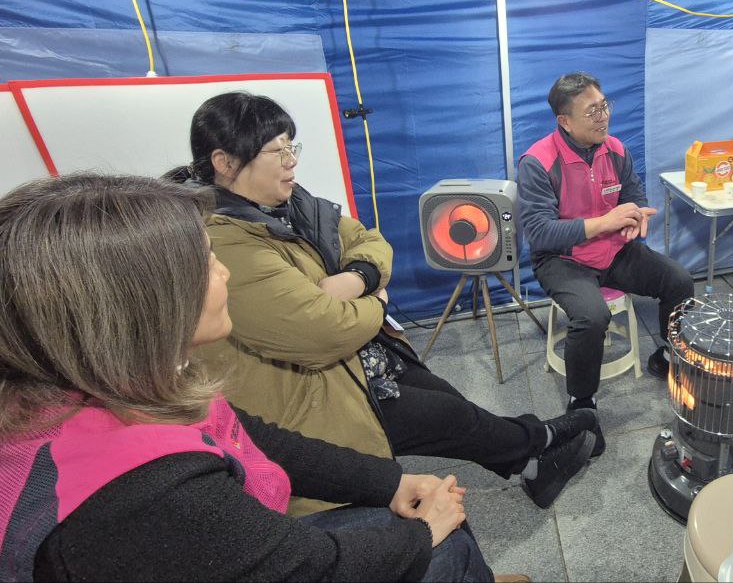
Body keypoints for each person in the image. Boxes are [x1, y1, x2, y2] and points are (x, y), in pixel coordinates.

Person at [0, 173, 507, 582]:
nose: (224, 273)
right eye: (206, 262)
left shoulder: (130, 382)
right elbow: (297, 567)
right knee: (445, 544)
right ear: (141, 305)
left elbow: (249, 436)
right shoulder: (143, 494)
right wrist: (422, 536)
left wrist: (389, 481)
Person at [168, 92, 595, 515]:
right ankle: (540, 442)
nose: (291, 161)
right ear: (225, 162)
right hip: (312, 392)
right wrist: (377, 299)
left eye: (291, 147)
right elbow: (323, 331)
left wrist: (357, 278)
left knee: (449, 401)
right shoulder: (226, 241)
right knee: (448, 416)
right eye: (277, 151)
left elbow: (368, 240)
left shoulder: (293, 204)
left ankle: (533, 457)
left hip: (362, 354)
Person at [518, 72, 695, 455]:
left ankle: (667, 356)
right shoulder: (538, 162)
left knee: (679, 280)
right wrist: (605, 222)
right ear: (565, 121)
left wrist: (636, 216)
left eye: (604, 106)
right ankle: (582, 404)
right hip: (562, 259)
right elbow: (540, 233)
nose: (603, 117)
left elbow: (634, 196)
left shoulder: (615, 149)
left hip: (613, 250)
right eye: (592, 111)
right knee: (592, 316)